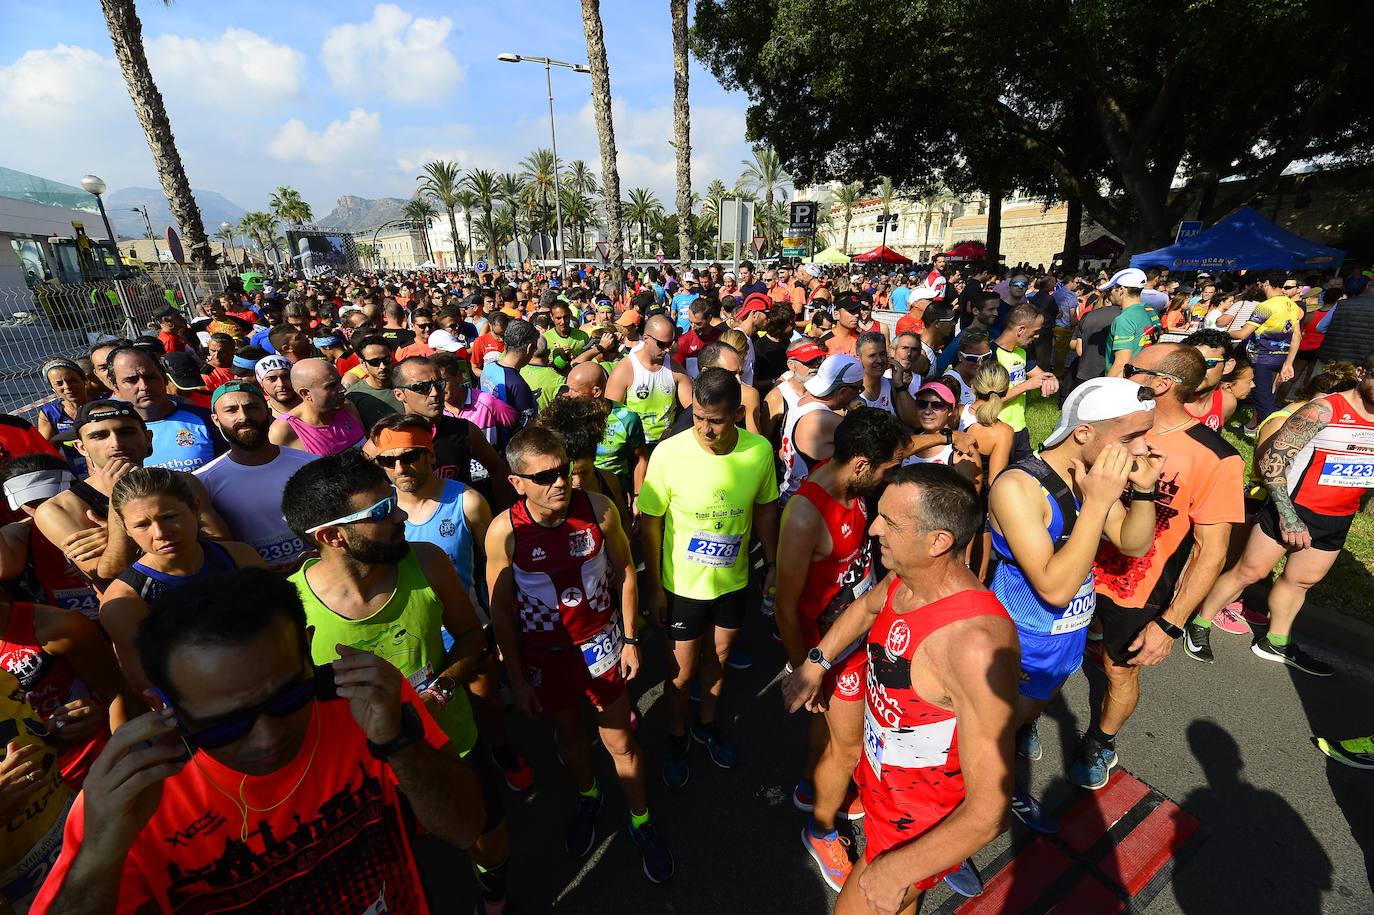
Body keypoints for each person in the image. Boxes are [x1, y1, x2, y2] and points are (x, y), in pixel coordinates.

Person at [31, 568, 486, 913]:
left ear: (309, 651)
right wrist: (100, 853)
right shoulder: (135, 795)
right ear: (163, 704)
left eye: (290, 696)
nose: (268, 737)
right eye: (225, 724)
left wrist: (400, 744)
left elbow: (467, 828)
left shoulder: (366, 703)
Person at [281, 450, 514, 913]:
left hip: (452, 740)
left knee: (487, 837)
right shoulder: (291, 610)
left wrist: (443, 689)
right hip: (364, 775)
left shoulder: (427, 562)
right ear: (332, 536)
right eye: (383, 511)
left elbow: (471, 637)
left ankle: (495, 901)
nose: (400, 516)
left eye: (392, 500)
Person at [782, 464, 1019, 914]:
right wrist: (816, 663)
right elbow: (867, 607)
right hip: (880, 788)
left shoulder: (974, 646)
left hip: (915, 822)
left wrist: (895, 870)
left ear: (938, 542)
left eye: (889, 521)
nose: (873, 527)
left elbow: (990, 809)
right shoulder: (907, 579)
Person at [484, 426, 673, 882]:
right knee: (570, 739)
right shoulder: (504, 531)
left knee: (621, 742)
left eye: (564, 471)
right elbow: (502, 612)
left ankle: (641, 821)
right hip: (546, 657)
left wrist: (629, 638)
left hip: (601, 645)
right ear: (517, 483)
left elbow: (627, 570)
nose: (560, 484)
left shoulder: (599, 508)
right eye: (545, 476)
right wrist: (519, 678)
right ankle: (589, 796)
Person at [987, 377, 1161, 832]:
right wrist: (1099, 502)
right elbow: (1053, 587)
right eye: (1130, 437)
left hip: (1068, 633)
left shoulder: (1093, 475)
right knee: (995, 728)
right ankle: (985, 798)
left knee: (1028, 710)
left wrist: (1142, 492)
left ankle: (1003, 760)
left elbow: (1132, 542)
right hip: (1023, 636)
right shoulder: (1018, 486)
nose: (1142, 448)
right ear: (1084, 432)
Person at [1081, 344, 1244, 789]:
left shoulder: (1216, 457)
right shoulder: (1115, 422)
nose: (1122, 370)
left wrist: (1171, 625)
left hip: (1138, 588)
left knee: (1119, 669)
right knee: (1046, 659)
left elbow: (1213, 551)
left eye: (1133, 368)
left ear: (1161, 384)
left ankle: (1101, 740)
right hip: (1075, 570)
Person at [775, 408, 907, 891]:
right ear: (860, 464)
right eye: (888, 468)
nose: (892, 476)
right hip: (829, 650)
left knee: (828, 732)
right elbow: (786, 608)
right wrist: (803, 670)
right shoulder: (807, 513)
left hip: (855, 636)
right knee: (849, 745)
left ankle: (812, 789)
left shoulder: (852, 488)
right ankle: (822, 829)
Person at [1188, 352, 1374, 676]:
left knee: (1301, 581)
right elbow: (1271, 463)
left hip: (1337, 517)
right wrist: (1288, 516)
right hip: (1292, 507)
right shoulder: (1324, 410)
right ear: (1361, 373)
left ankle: (1276, 641)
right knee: (1249, 572)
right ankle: (1200, 622)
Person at [640, 369, 779, 784]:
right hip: (682, 586)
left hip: (732, 583)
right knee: (681, 674)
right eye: (698, 417)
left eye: (715, 420)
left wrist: (770, 562)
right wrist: (654, 589)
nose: (705, 429)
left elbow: (766, 507)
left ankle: (706, 724)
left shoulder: (758, 452)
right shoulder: (669, 452)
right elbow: (650, 522)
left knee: (717, 660)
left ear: (737, 413)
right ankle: (677, 734)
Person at [100, 467, 263, 693]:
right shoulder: (124, 601)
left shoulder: (240, 557)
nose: (160, 533)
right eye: (142, 525)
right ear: (126, 528)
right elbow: (149, 686)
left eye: (169, 517)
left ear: (195, 509)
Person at [195, 381, 317, 571]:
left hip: (316, 574)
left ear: (268, 414)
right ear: (216, 419)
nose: (243, 417)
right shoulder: (204, 481)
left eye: (251, 407)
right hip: (257, 586)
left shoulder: (310, 464)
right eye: (231, 410)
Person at [106, 345, 223, 473]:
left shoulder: (206, 419)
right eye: (131, 380)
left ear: (164, 378)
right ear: (115, 386)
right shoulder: (110, 434)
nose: (144, 386)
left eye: (150, 377)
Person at [778, 355, 865, 502]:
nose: (859, 394)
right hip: (807, 507)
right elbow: (875, 445)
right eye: (858, 389)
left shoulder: (801, 401)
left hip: (790, 496)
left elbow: (782, 453)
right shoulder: (825, 420)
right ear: (843, 391)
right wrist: (859, 411)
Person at [606, 314, 692, 451]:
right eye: (662, 344)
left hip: (667, 446)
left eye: (671, 343)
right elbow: (611, 417)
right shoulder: (625, 369)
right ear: (646, 338)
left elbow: (692, 409)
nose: (668, 349)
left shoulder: (676, 370)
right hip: (636, 449)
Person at [564, 362, 649, 499]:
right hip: (576, 490)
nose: (568, 394)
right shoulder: (567, 415)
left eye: (574, 390)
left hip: (614, 490)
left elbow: (641, 458)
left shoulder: (627, 418)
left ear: (596, 391)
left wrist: (638, 495)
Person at [1229, 271, 1303, 424]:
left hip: (1261, 358)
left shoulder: (1265, 306)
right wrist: (1288, 363)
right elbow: (1297, 337)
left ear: (1266, 283)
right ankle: (1253, 424)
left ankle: (1273, 430)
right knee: (1267, 395)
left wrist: (1222, 333)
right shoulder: (1293, 306)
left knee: (1263, 400)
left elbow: (1243, 334)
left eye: (1259, 283)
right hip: (1279, 357)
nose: (1259, 286)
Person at [993, 304, 1059, 462]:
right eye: (1035, 331)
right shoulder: (991, 355)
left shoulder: (1021, 353)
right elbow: (991, 400)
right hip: (997, 429)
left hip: (1020, 429)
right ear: (1020, 330)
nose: (1037, 336)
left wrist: (1051, 380)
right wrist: (1027, 385)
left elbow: (1042, 376)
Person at [269, 359, 367, 456]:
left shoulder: (347, 407)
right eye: (331, 385)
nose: (342, 389)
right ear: (306, 393)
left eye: (339, 381)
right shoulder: (283, 431)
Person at [480, 319, 540, 445]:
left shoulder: (488, 367)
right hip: (510, 448)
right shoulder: (517, 384)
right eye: (535, 348)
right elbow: (528, 429)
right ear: (529, 348)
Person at [35, 357, 89, 475]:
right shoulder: (50, 414)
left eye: (72, 380)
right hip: (73, 476)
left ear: (84, 380)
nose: (67, 386)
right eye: (59, 383)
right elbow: (45, 452)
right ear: (52, 388)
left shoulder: (102, 405)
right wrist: (58, 438)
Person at [1101, 268, 1158, 377]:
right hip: (1144, 376)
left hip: (1124, 382)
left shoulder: (1124, 319)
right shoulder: (1151, 311)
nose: (1109, 295)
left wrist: (1106, 386)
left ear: (1122, 290)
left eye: (1110, 290)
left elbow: (1121, 363)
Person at [344, 334, 403, 430]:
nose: (382, 366)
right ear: (363, 363)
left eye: (386, 360)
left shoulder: (406, 384)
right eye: (374, 362)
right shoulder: (353, 396)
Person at [255, 352, 302, 418]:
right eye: (272, 379)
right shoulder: (261, 415)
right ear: (261, 383)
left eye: (286, 377)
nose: (281, 384)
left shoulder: (313, 407)